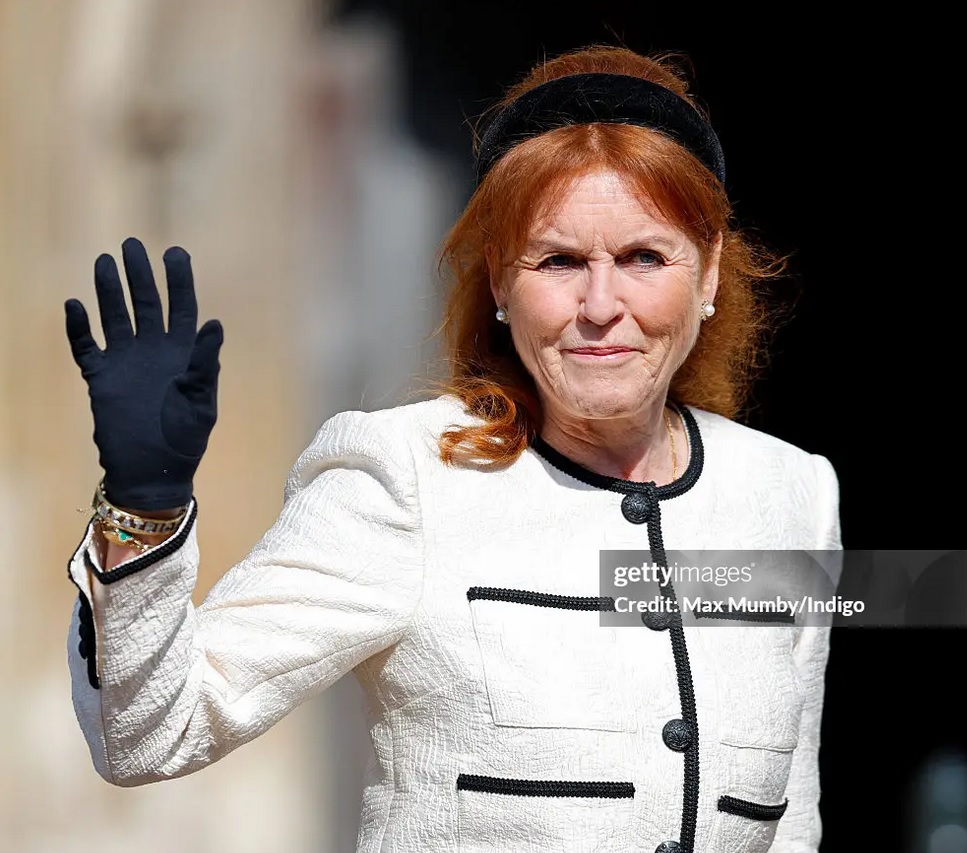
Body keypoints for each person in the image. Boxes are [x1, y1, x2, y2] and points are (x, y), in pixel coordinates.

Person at [64, 45, 842, 853]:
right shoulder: (404, 477)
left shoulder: (789, 493)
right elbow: (147, 736)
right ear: (500, 281)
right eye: (558, 260)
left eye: (643, 257)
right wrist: (144, 509)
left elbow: (791, 822)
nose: (600, 304)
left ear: (708, 272)